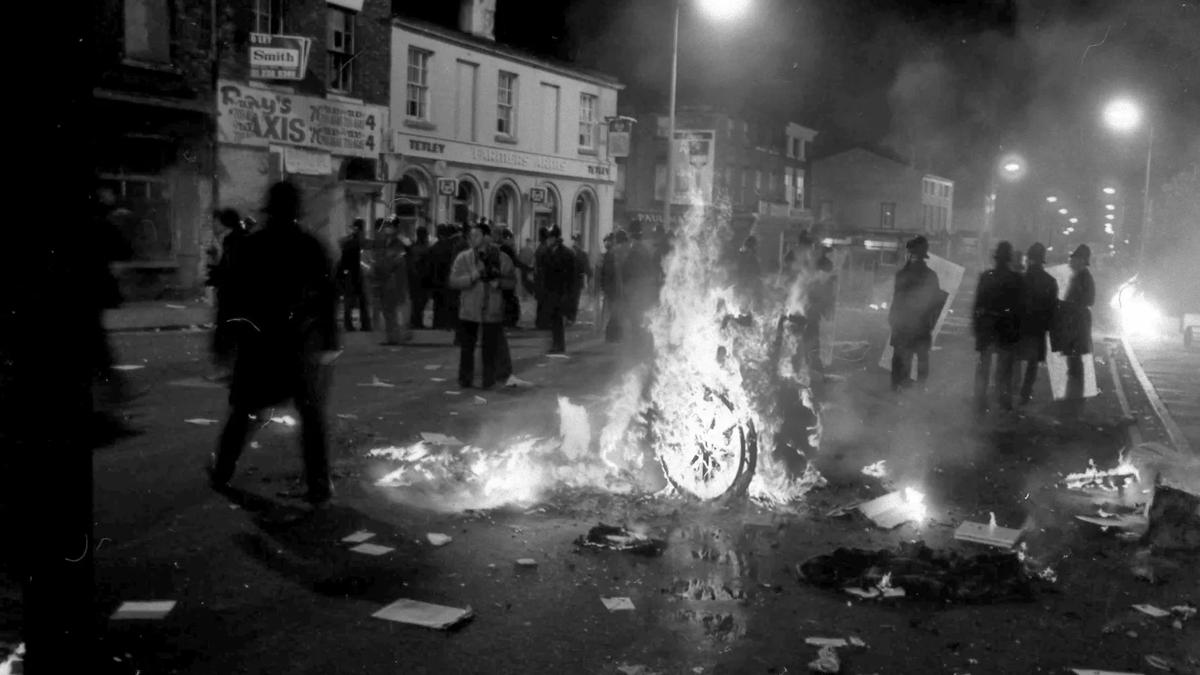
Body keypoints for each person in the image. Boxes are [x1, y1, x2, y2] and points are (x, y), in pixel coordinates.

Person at [208, 181, 339, 506]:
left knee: (244, 412)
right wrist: (328, 341)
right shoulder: (310, 246)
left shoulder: (253, 245)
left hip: (260, 343)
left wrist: (222, 339)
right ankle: (319, 484)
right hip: (296, 345)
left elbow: (231, 296)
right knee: (310, 416)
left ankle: (222, 469)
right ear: (296, 211)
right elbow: (326, 298)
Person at [449, 222, 516, 388]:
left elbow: (512, 282)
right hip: (469, 311)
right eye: (471, 236)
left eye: (477, 235)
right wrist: (472, 276)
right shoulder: (464, 258)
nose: (472, 239)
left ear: (487, 237)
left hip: (492, 310)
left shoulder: (502, 258)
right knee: (467, 349)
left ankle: (488, 380)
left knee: (489, 350)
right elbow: (454, 281)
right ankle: (465, 379)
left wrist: (499, 283)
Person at [888, 235, 945, 392]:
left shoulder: (903, 275)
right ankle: (917, 390)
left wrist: (893, 320)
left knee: (901, 359)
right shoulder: (930, 276)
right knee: (919, 359)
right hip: (920, 326)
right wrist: (930, 323)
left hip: (905, 326)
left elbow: (897, 300)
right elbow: (936, 304)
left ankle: (899, 388)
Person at [972, 241, 1024, 413]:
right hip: (1006, 328)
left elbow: (978, 305)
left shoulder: (987, 277)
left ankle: (980, 399)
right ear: (1009, 259)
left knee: (984, 367)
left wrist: (977, 326)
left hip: (988, 327)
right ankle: (1003, 400)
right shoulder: (1016, 279)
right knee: (1004, 369)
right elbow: (1020, 308)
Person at [1052, 244, 1095, 416]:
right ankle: (1073, 402)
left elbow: (1087, 300)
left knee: (1075, 365)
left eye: (1074, 259)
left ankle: (1073, 404)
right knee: (1074, 365)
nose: (1071, 261)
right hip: (1075, 326)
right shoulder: (1080, 277)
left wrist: (1065, 306)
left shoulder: (1083, 278)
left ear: (1082, 261)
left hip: (1076, 327)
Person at [1017, 243, 1058, 405]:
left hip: (1020, 325)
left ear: (1029, 259)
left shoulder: (1021, 280)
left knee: (1015, 357)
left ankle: (1011, 388)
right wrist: (1049, 326)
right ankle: (1025, 392)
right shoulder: (1049, 281)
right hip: (1038, 327)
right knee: (1032, 362)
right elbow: (1052, 307)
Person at [373, 219, 411, 345]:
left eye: (390, 226)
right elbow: (378, 259)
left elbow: (399, 260)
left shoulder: (400, 243)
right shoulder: (382, 243)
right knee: (387, 311)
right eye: (386, 227)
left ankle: (399, 335)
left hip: (396, 282)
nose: (387, 229)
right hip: (384, 282)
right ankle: (391, 336)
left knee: (397, 310)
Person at [539, 226, 577, 354]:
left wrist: (569, 294)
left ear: (555, 239)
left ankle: (559, 345)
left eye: (550, 238)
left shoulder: (566, 254)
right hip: (551, 291)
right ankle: (556, 344)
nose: (548, 241)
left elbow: (571, 276)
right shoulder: (547, 253)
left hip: (561, 291)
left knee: (558, 319)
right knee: (553, 319)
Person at [337, 218, 371, 332]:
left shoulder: (351, 240)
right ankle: (362, 324)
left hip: (352, 273)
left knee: (354, 300)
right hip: (354, 274)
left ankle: (353, 324)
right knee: (355, 300)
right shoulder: (355, 240)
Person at [497, 228, 528, 328]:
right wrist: (528, 268)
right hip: (507, 279)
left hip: (501, 279)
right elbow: (516, 262)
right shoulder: (507, 249)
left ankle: (505, 321)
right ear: (508, 238)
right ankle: (510, 322)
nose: (513, 241)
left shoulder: (499, 248)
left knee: (505, 300)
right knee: (510, 300)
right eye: (512, 238)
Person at [599, 232, 625, 342]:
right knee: (615, 312)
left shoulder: (612, 254)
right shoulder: (616, 253)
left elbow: (607, 273)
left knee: (613, 312)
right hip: (615, 289)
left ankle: (613, 336)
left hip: (613, 289)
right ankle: (614, 335)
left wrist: (605, 287)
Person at [408, 224, 431, 329]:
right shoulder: (423, 248)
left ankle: (415, 320)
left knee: (417, 301)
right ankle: (416, 321)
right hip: (421, 278)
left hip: (415, 278)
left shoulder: (413, 247)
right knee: (420, 300)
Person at [568, 233, 592, 324]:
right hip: (577, 280)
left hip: (568, 280)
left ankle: (568, 317)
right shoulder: (582, 254)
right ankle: (571, 318)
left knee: (569, 299)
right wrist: (590, 275)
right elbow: (587, 268)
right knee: (574, 300)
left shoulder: (568, 252)